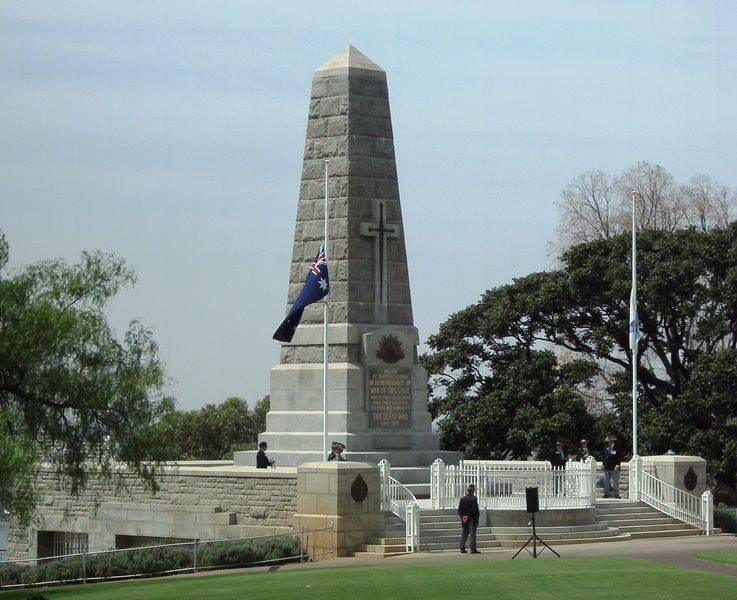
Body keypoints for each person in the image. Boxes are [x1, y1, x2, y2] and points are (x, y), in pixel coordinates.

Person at [458, 484, 480, 554]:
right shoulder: (474, 499)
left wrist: (463, 517)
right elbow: (474, 510)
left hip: (464, 519)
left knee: (464, 533)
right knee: (472, 534)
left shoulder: (462, 499)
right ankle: (473, 549)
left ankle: (462, 548)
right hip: (472, 519)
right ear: (473, 491)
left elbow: (459, 509)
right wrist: (468, 516)